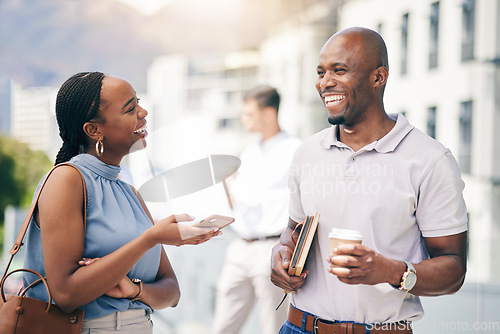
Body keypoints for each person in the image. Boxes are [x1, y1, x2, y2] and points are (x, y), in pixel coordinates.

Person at [270, 27, 468, 334]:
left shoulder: (430, 160)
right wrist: (280, 256)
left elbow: (453, 268)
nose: (325, 83)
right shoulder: (307, 153)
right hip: (298, 327)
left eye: (340, 70)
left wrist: (390, 271)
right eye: (321, 72)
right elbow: (293, 231)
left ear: (378, 77)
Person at [23, 72, 221, 333]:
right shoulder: (67, 180)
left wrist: (134, 289)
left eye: (138, 102)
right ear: (94, 130)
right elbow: (66, 295)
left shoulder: (129, 192)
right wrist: (150, 238)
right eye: (131, 108)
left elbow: (172, 293)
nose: (143, 111)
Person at [212, 85, 301, 334]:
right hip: (240, 246)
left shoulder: (295, 150)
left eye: (249, 113)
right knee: (222, 327)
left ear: (269, 114)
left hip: (272, 248)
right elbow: (240, 202)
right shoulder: (250, 152)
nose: (244, 119)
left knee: (273, 327)